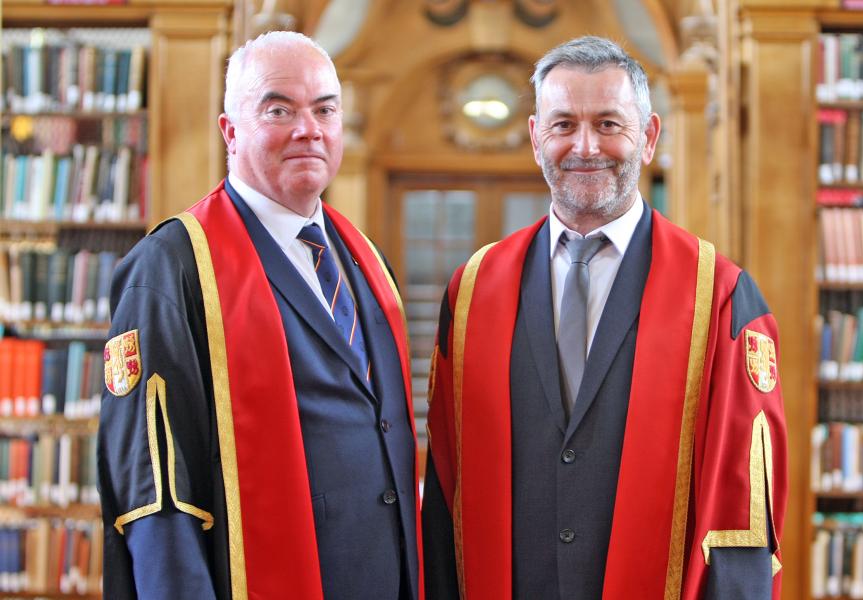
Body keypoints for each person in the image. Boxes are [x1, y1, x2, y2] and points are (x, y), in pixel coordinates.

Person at [422, 36, 787, 599]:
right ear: (534, 137)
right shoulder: (473, 289)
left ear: (648, 138)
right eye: (563, 123)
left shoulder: (718, 295)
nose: (586, 146)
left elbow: (743, 515)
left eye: (609, 124)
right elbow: (445, 484)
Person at [98, 31, 422, 599]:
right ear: (230, 130)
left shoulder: (366, 259)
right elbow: (155, 487)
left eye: (325, 109)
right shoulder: (172, 266)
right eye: (279, 109)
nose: (308, 129)